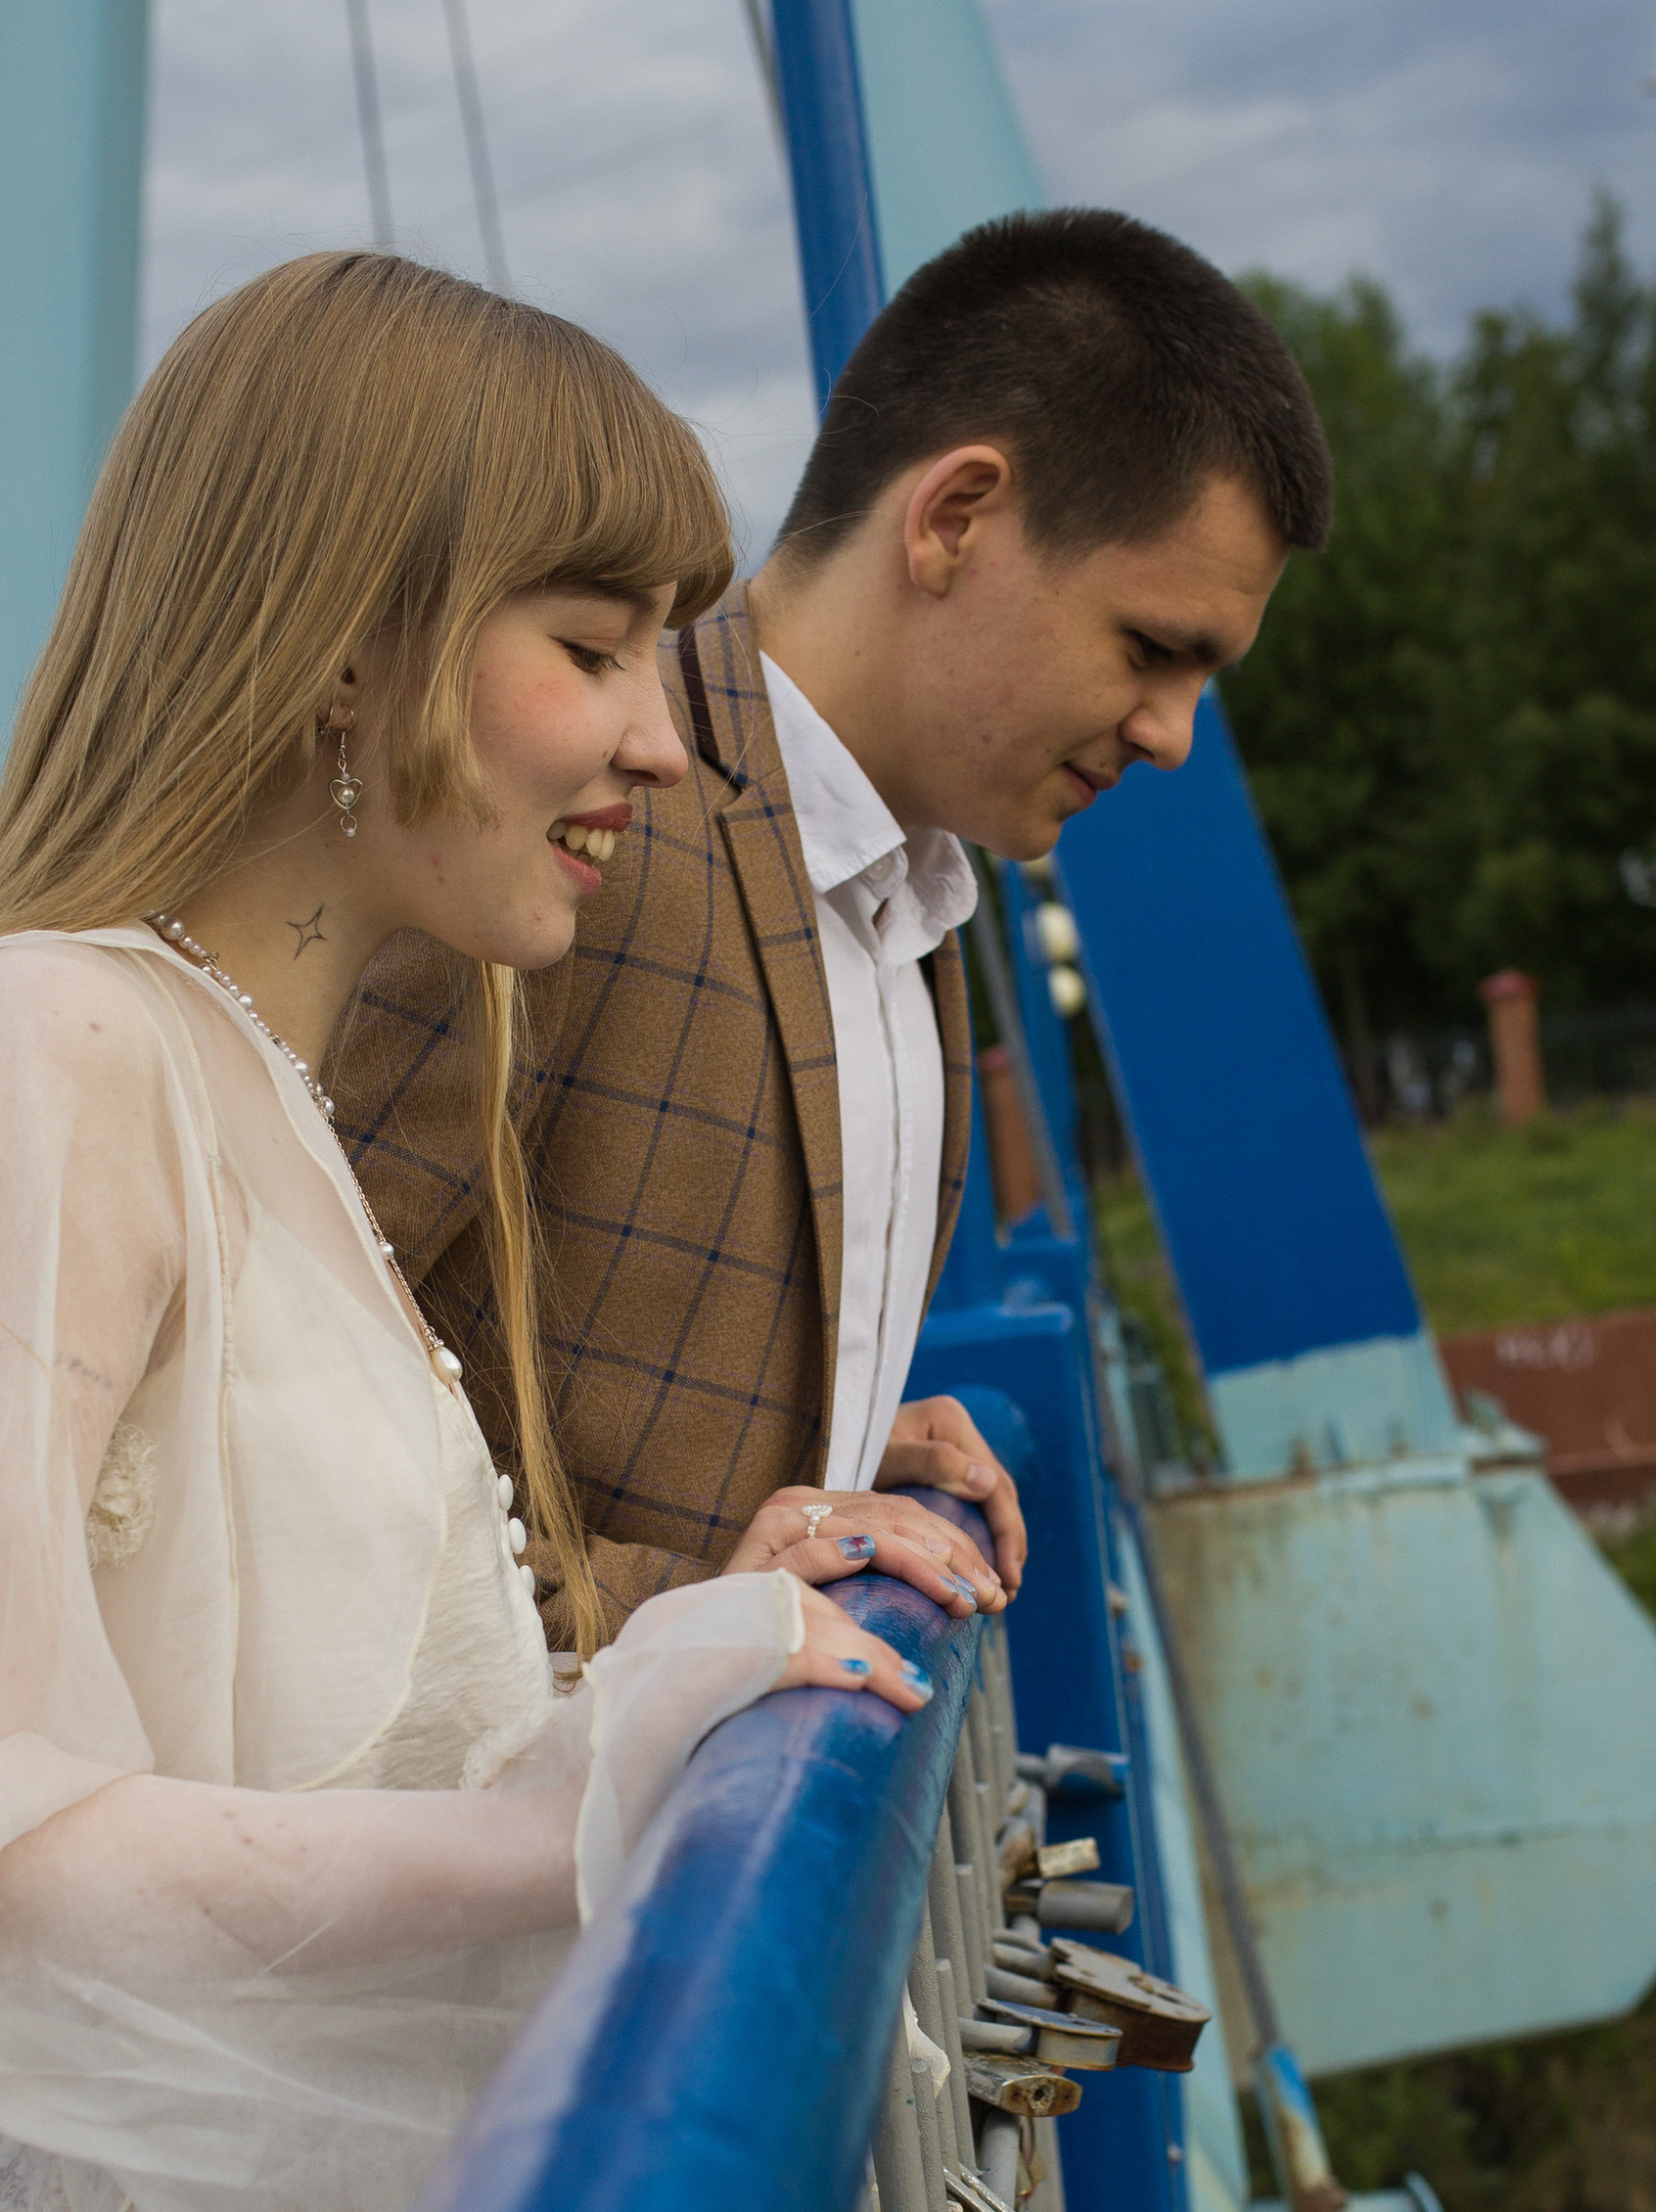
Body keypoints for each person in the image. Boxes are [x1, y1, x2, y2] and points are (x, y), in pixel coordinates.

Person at [0, 252, 958, 2212]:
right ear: (345, 644)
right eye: (589, 645)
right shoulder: (46, 1056)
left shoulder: (262, 1098)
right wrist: (573, 1813)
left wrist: (675, 1653)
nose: (648, 735)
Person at [338, 207, 1333, 1641]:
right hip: (541, 1851)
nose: (1176, 735)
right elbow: (248, 1423)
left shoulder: (911, 886)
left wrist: (836, 1421)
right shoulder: (571, 820)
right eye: (1152, 648)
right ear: (953, 519)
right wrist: (679, 1609)